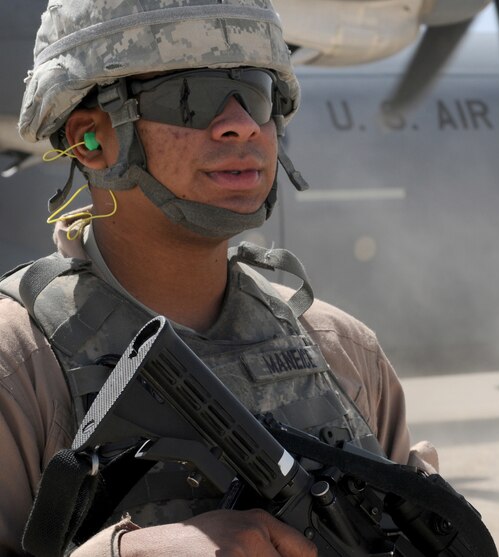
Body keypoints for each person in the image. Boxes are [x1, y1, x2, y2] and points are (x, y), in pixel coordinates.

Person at [0, 1, 437, 555]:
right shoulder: (18, 366)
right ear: (93, 137)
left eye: (256, 94)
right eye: (192, 97)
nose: (242, 125)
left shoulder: (342, 350)